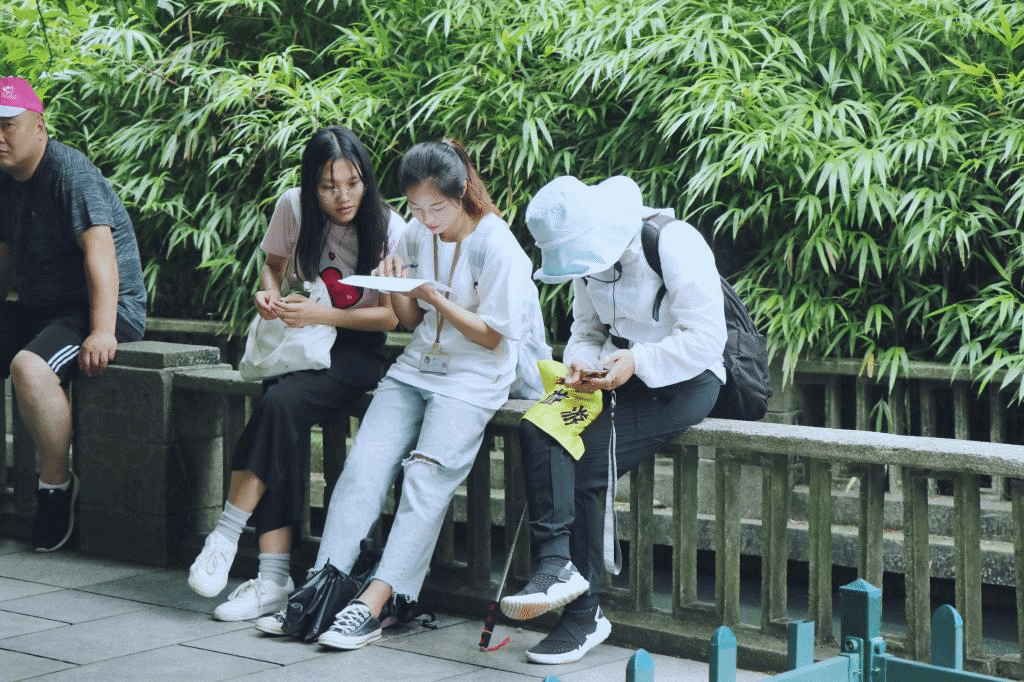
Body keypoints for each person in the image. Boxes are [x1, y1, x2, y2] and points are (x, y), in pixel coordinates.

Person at [254, 139, 534, 650]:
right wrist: (399, 290)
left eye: (436, 207)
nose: (425, 219)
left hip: (473, 380)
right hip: (416, 367)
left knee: (425, 480)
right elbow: (407, 321)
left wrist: (430, 296)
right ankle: (319, 590)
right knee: (362, 467)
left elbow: (493, 336)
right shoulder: (416, 236)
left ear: (462, 193)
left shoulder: (497, 244)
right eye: (416, 207)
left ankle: (374, 603)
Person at [499, 175, 727, 664]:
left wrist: (638, 361)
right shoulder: (585, 263)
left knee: (586, 462)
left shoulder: (673, 242)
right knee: (536, 425)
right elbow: (586, 330)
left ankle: (584, 616)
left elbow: (708, 339)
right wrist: (581, 363)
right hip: (615, 374)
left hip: (687, 379)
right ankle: (556, 563)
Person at [187, 126, 406, 622]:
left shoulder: (390, 227)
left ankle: (228, 535)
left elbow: (391, 318)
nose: (343, 196)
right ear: (311, 185)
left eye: (352, 183)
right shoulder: (293, 206)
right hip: (301, 337)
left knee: (278, 405)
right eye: (328, 187)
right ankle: (271, 578)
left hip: (356, 348)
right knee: (278, 416)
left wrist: (319, 314)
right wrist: (267, 294)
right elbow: (273, 266)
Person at [0, 77, 147, 552]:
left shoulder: (70, 172)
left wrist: (103, 330)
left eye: (7, 125)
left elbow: (100, 254)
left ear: (39, 126)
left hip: (99, 307)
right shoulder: (5, 182)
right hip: (42, 309)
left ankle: (56, 487)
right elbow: (3, 258)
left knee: (30, 368)